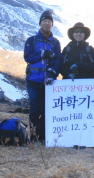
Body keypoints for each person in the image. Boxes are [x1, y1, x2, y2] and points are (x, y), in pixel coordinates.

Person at [23, 10, 62, 142]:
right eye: (44, 21)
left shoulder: (55, 42)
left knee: (47, 110)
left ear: (52, 24)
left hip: (49, 81)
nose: (46, 23)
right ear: (40, 23)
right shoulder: (31, 40)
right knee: (35, 109)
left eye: (49, 21)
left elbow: (58, 59)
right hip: (34, 80)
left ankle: (45, 137)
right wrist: (41, 54)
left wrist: (53, 72)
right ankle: (34, 136)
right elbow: (27, 57)